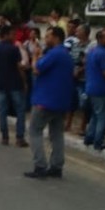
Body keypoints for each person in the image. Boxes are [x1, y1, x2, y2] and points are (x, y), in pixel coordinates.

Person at [24, 26, 74, 179]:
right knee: (57, 134)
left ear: (56, 38)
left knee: (35, 131)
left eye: (48, 36)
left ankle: (40, 165)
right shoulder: (66, 54)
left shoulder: (54, 53)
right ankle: (56, 166)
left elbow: (37, 69)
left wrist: (35, 56)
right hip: (61, 100)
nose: (46, 39)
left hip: (45, 99)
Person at [0, 25, 28, 147]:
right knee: (20, 111)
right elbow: (19, 67)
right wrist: (24, 82)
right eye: (12, 34)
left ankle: (4, 137)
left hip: (0, 84)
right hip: (15, 84)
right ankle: (19, 137)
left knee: (2, 112)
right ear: (6, 35)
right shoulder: (14, 49)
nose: (14, 37)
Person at [83, 28, 105, 151]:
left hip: (91, 87)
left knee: (95, 115)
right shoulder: (102, 53)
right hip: (101, 88)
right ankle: (99, 141)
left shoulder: (92, 51)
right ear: (100, 39)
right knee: (103, 116)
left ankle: (89, 137)